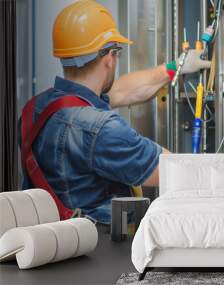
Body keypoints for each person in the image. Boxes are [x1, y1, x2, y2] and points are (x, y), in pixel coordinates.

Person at [19, 0, 211, 224]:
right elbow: (178, 170)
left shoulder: (35, 109)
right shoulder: (102, 129)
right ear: (109, 58)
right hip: (100, 249)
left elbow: (124, 91)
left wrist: (174, 67)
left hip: (53, 241)